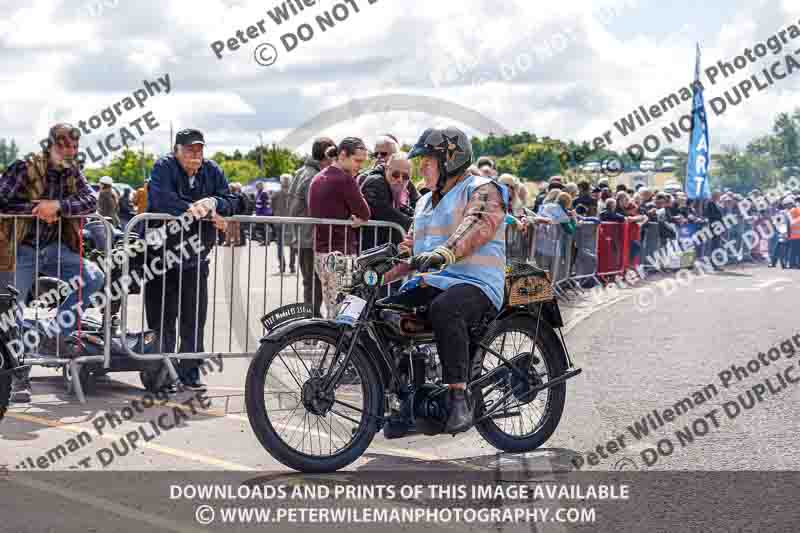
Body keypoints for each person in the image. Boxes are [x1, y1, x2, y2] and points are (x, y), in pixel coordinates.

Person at [382, 127, 508, 435]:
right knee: (380, 313)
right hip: (432, 281)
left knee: (445, 309)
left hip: (476, 283)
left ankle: (458, 399)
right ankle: (403, 403)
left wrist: (445, 253)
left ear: (450, 160)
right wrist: (375, 271)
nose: (421, 166)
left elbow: (477, 223)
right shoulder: (425, 201)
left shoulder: (481, 188)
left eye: (427, 160)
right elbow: (410, 247)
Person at [0, 123, 105, 403]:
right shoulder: (23, 167)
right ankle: (17, 378)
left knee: (93, 276)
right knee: (11, 311)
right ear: (49, 145)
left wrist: (57, 207)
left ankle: (57, 333)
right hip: (19, 250)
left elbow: (90, 202)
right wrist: (37, 210)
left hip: (54, 247)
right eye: (63, 145)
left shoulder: (73, 171)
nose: (69, 151)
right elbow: (1, 200)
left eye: (74, 146)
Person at [145, 128, 237, 391]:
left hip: (196, 257)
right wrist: (201, 210)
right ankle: (160, 374)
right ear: (177, 150)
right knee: (162, 318)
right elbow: (161, 200)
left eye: (199, 149)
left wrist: (213, 203)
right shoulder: (164, 166)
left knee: (194, 318)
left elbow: (233, 201)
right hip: (160, 256)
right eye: (189, 149)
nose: (195, 154)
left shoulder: (212, 169)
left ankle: (190, 372)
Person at [308, 138, 371, 317]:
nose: (359, 166)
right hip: (341, 254)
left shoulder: (318, 177)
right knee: (345, 313)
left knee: (332, 309)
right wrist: (357, 217)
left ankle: (331, 345)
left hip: (321, 253)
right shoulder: (345, 180)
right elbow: (365, 212)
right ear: (343, 155)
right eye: (357, 160)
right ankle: (340, 346)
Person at [288, 137, 335, 318]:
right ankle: (311, 324)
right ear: (326, 155)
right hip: (309, 237)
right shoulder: (311, 176)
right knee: (313, 283)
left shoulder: (304, 171)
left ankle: (311, 322)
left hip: (304, 236)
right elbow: (315, 207)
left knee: (312, 283)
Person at [359, 152, 415, 251]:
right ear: (386, 169)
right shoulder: (375, 181)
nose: (400, 179)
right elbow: (384, 211)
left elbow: (407, 206)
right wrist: (413, 223)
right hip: (370, 247)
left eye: (405, 176)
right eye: (396, 174)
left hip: (383, 247)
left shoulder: (397, 185)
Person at [270, 174, 296, 274]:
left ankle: (291, 266)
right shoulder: (276, 194)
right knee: (280, 245)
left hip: (290, 222)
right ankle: (282, 265)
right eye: (284, 180)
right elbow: (272, 207)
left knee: (292, 245)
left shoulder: (293, 194)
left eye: (287, 180)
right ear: (281, 182)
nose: (285, 182)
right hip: (280, 222)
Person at [704, 191, 726, 271]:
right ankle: (712, 264)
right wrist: (719, 217)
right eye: (718, 196)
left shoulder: (715, 203)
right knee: (714, 246)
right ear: (714, 196)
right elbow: (710, 215)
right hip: (714, 227)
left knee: (716, 246)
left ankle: (714, 264)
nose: (719, 197)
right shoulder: (710, 203)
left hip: (717, 227)